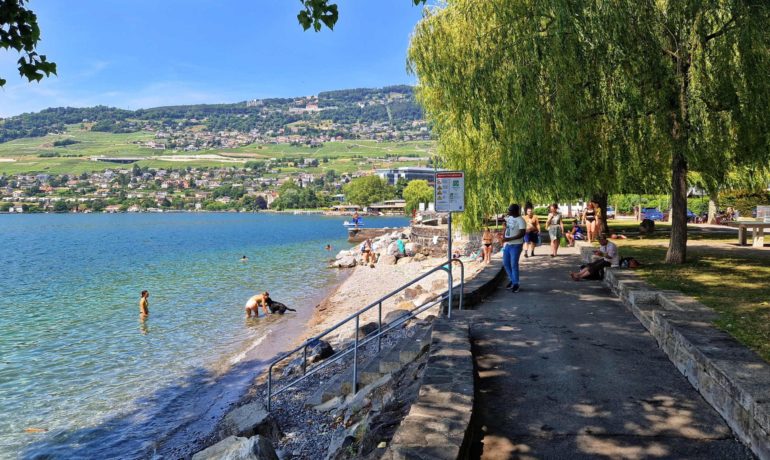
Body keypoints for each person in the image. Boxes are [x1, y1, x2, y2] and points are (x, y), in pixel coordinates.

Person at [502, 203, 526, 293]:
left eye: (510, 210)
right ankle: (512, 280)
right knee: (505, 263)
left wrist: (509, 238)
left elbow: (522, 233)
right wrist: (504, 235)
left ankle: (516, 284)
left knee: (513, 264)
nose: (508, 212)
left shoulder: (521, 220)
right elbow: (507, 228)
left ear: (515, 211)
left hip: (516, 245)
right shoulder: (510, 218)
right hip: (508, 245)